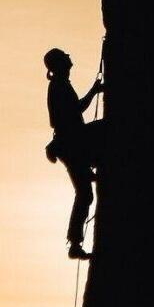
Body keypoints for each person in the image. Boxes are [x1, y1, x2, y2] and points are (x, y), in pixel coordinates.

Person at [44, 48, 105, 260]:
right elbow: (76, 109)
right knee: (85, 194)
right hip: (72, 144)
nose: (70, 60)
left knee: (85, 194)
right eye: (66, 59)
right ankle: (75, 243)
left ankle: (75, 243)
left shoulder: (60, 85)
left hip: (71, 144)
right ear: (60, 64)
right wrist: (95, 90)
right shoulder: (59, 87)